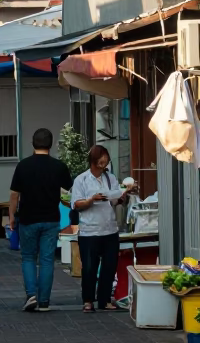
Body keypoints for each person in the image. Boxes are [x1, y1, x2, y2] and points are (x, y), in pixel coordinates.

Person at [8, 127, 72, 312]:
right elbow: (68, 192)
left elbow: (14, 195)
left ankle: (31, 295)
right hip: (51, 219)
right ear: (51, 145)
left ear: (33, 143)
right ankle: (44, 301)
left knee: (28, 257)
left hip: (28, 218)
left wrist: (12, 216)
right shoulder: (59, 166)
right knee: (46, 260)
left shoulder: (23, 165)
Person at [71, 145, 136, 312]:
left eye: (106, 159)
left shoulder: (110, 178)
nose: (104, 162)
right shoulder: (81, 179)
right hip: (89, 231)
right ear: (93, 160)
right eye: (101, 159)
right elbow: (76, 204)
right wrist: (91, 199)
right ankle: (88, 300)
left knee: (109, 266)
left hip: (109, 229)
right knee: (90, 267)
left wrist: (124, 196)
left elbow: (114, 201)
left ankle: (105, 299)